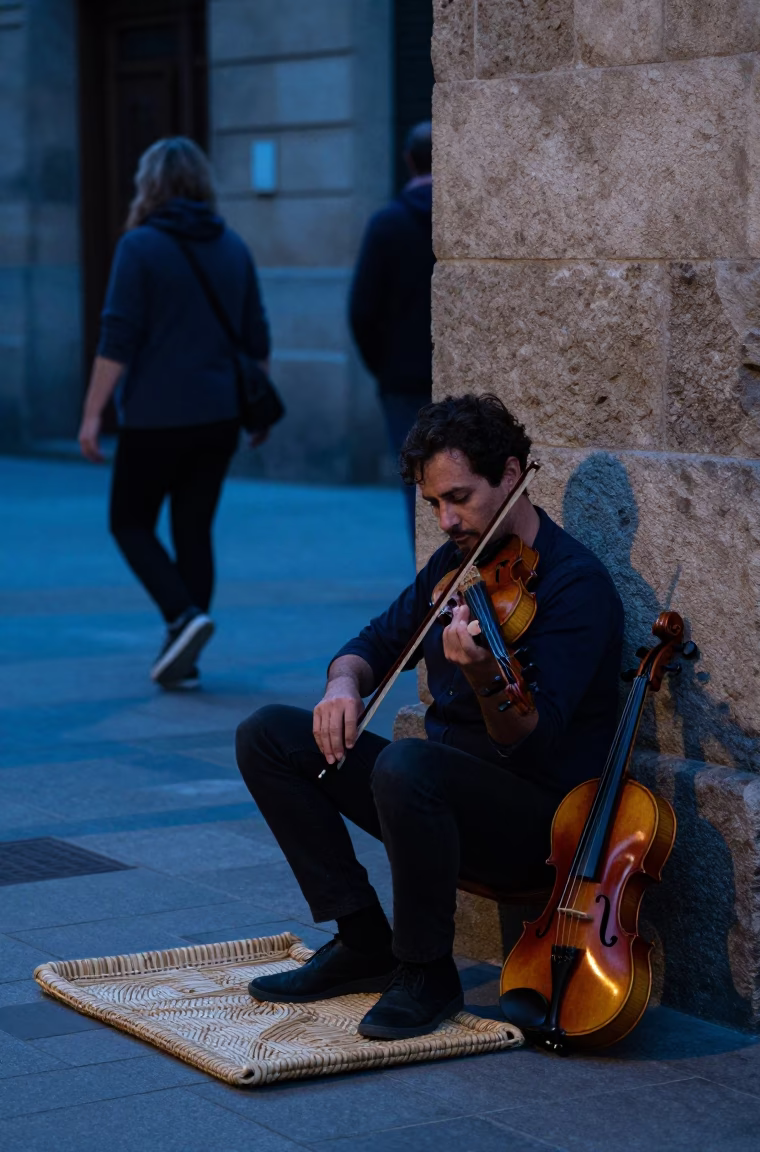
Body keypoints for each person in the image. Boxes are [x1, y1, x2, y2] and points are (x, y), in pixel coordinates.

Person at [235, 394, 624, 1040]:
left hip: (539, 826)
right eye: (434, 504)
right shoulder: (454, 570)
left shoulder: (574, 585)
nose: (446, 520)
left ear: (510, 474)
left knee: (406, 762)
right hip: (428, 799)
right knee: (269, 735)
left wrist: (480, 674)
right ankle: (363, 940)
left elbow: (532, 741)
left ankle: (426, 973)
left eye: (459, 498)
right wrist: (341, 686)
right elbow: (370, 645)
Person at [77, 137, 270, 690]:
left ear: (150, 184)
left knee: (129, 520)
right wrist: (255, 410)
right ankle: (184, 646)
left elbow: (117, 338)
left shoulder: (139, 246)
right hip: (219, 417)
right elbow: (257, 336)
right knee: (193, 527)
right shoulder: (232, 245)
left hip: (155, 416)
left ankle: (182, 618)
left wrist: (92, 414)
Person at [348, 121, 435, 547]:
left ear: (407, 160)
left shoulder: (386, 224)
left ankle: (432, 587)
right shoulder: (465, 220)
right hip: (456, 377)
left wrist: (384, 366)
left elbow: (361, 311)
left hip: (401, 382)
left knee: (416, 490)